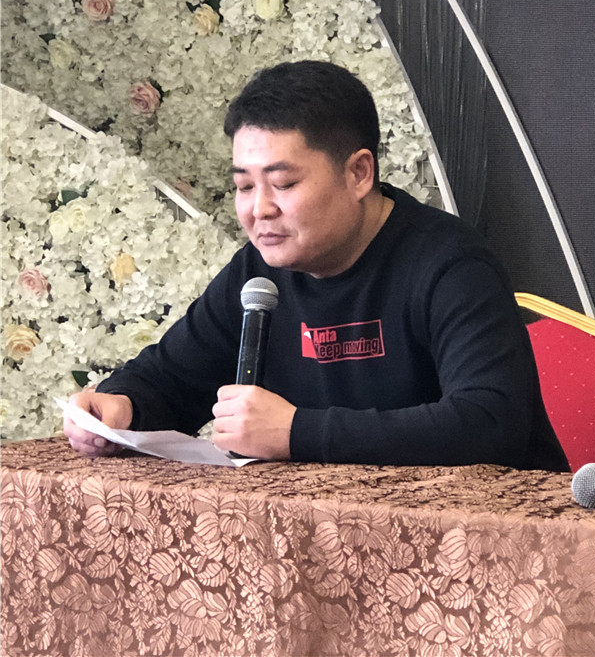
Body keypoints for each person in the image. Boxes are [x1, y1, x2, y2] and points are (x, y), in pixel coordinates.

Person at [64, 61, 569, 471]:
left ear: (359, 173)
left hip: (486, 544)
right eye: (244, 186)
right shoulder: (258, 274)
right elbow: (173, 377)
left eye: (283, 184)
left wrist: (295, 432)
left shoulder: (450, 264)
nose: (259, 209)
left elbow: (487, 423)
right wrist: (122, 405)